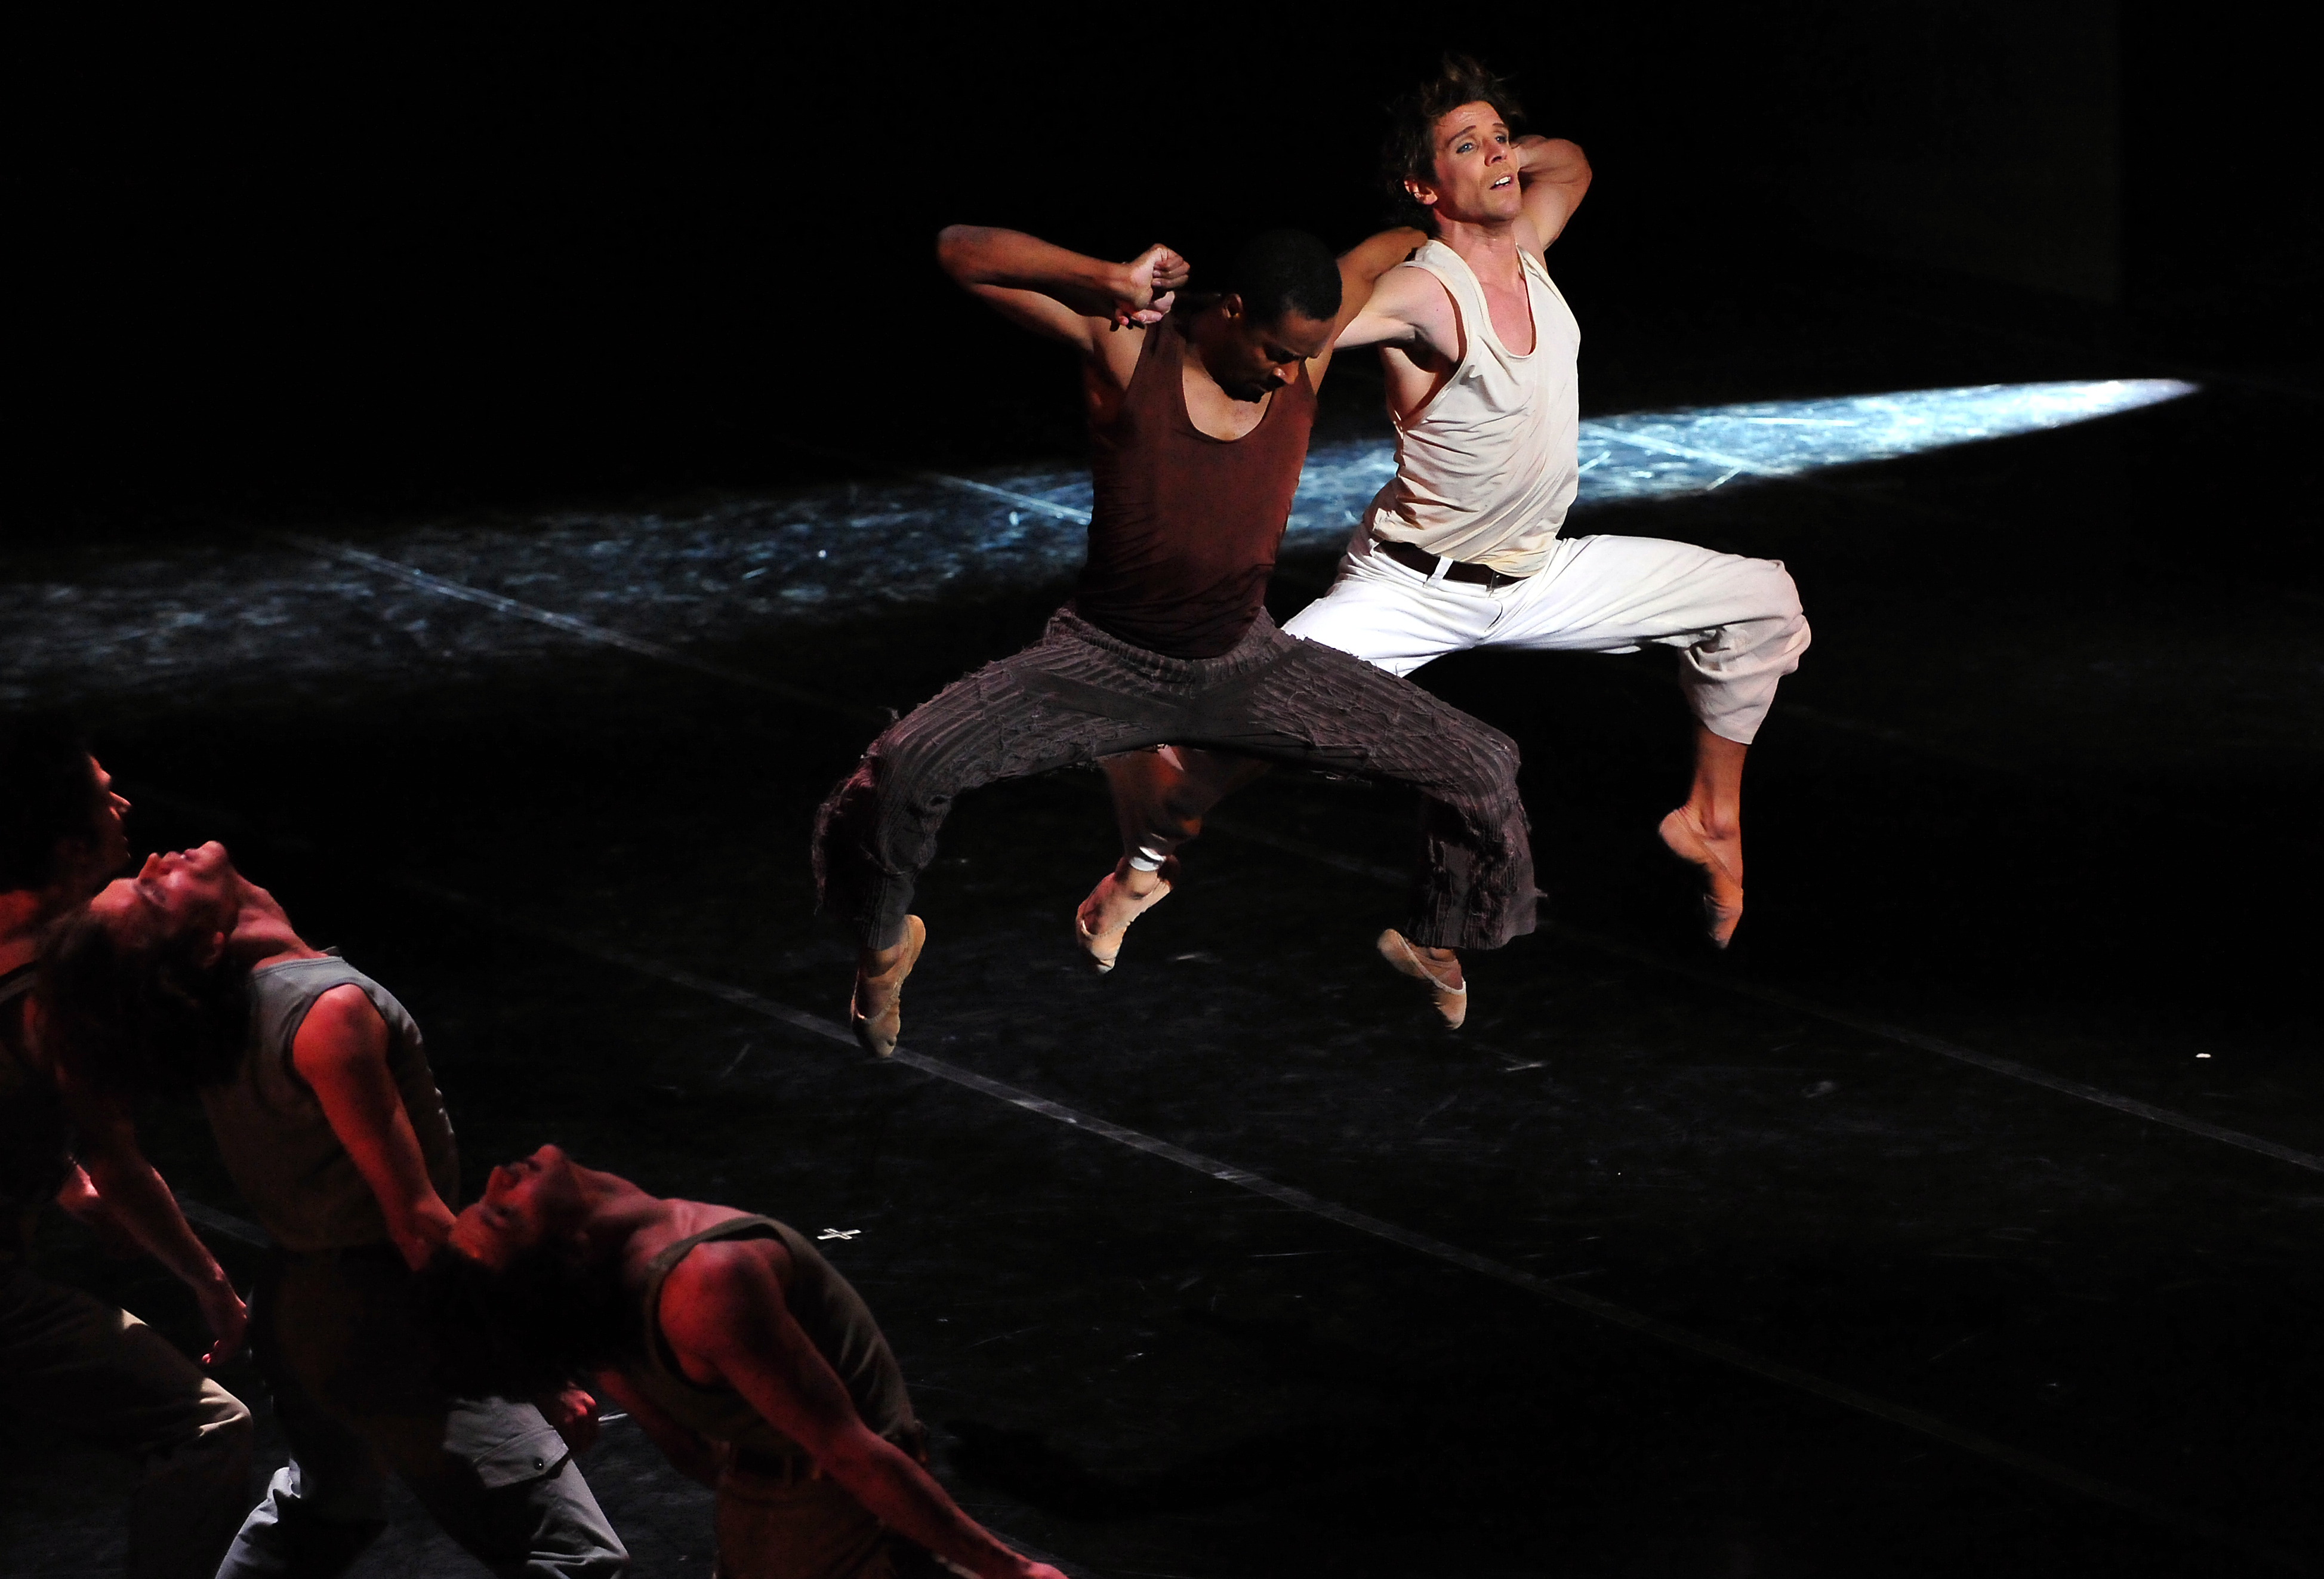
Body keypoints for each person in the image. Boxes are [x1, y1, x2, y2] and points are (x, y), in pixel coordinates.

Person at [1099, 57, 1811, 950]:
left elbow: (1572, 162)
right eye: (1468, 147)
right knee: (1229, 738)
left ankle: (1711, 817)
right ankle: (1138, 870)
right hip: (1413, 586)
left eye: (1501, 138)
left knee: (1762, 603)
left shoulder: (1530, 245)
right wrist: (1186, 318)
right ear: (1421, 186)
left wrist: (1495, 157)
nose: (1501, 155)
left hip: (1536, 573)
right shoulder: (1422, 293)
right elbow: (1306, 329)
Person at [813, 225, 1539, 1043]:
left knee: (1482, 762)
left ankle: (1439, 938)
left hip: (1244, 665)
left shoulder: (1301, 357)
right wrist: (1106, 276)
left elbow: (1377, 255)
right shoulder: (1132, 349)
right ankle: (883, 947)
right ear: (1232, 311)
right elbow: (959, 251)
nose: (1288, 373)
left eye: (1302, 357)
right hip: (1103, 662)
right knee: (905, 766)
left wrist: (1448, 221)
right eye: (1275, 352)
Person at [42, 838, 629, 1578]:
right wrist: (531, 1371)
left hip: (300, 1314)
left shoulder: (234, 1011)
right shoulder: (327, 1013)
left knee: (327, 1512)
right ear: (208, 944)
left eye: (143, 875)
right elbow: (417, 1223)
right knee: (576, 1558)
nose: (157, 859)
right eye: (153, 893)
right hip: (389, 1315)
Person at [418, 1146, 1067, 1579]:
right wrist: (1013, 1570)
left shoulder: (608, 1302)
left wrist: (764, 1502)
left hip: (772, 1523)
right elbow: (850, 1455)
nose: (498, 1176)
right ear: (568, 1249)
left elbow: (687, 1451)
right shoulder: (705, 1282)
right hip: (838, 1527)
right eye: (503, 1214)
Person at [0, 719, 254, 1579]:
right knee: (209, 1426)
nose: (126, 808)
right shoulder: (60, 986)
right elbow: (118, 1160)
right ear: (72, 847)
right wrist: (211, 1285)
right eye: (106, 796)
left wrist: (62, 1181)